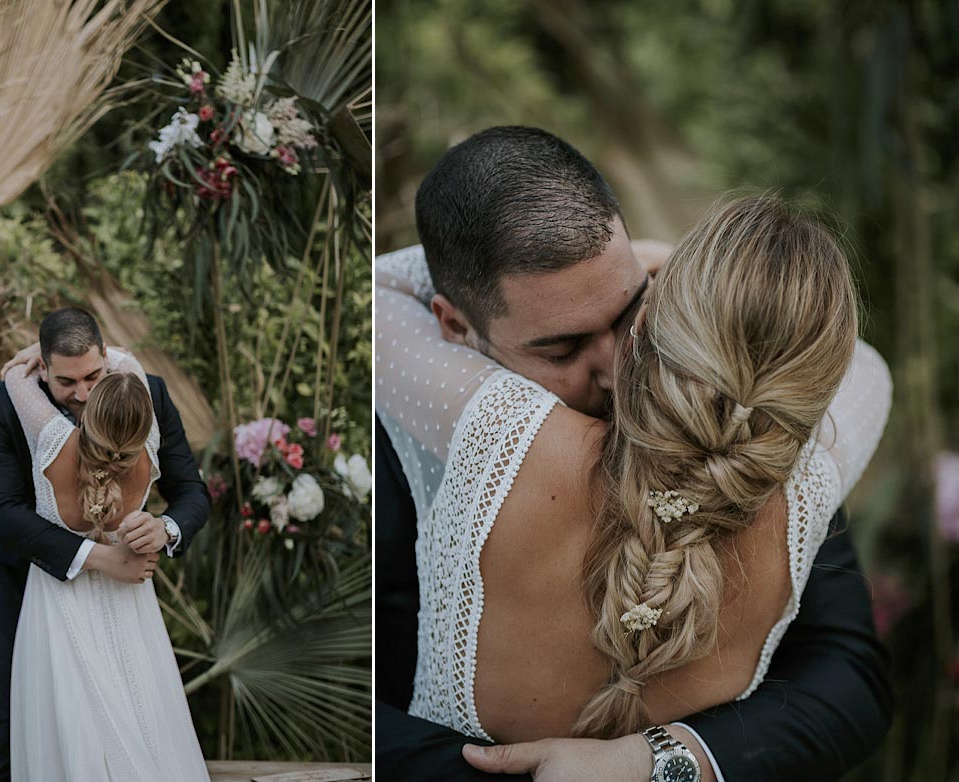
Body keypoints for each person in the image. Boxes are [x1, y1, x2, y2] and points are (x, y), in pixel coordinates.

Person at [375, 126, 893, 781]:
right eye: (560, 350)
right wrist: (703, 267)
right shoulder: (797, 446)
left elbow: (842, 676)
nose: (617, 368)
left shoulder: (751, 432)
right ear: (453, 325)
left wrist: (660, 763)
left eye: (630, 312)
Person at [0, 307, 210, 782]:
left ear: (107, 356)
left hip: (126, 606)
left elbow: (191, 491)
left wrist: (165, 529)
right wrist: (100, 557)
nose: (82, 394)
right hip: (26, 595)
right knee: (25, 749)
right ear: (42, 366)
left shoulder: (147, 394)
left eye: (93, 376)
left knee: (141, 732)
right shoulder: (5, 404)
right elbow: (1, 511)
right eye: (66, 382)